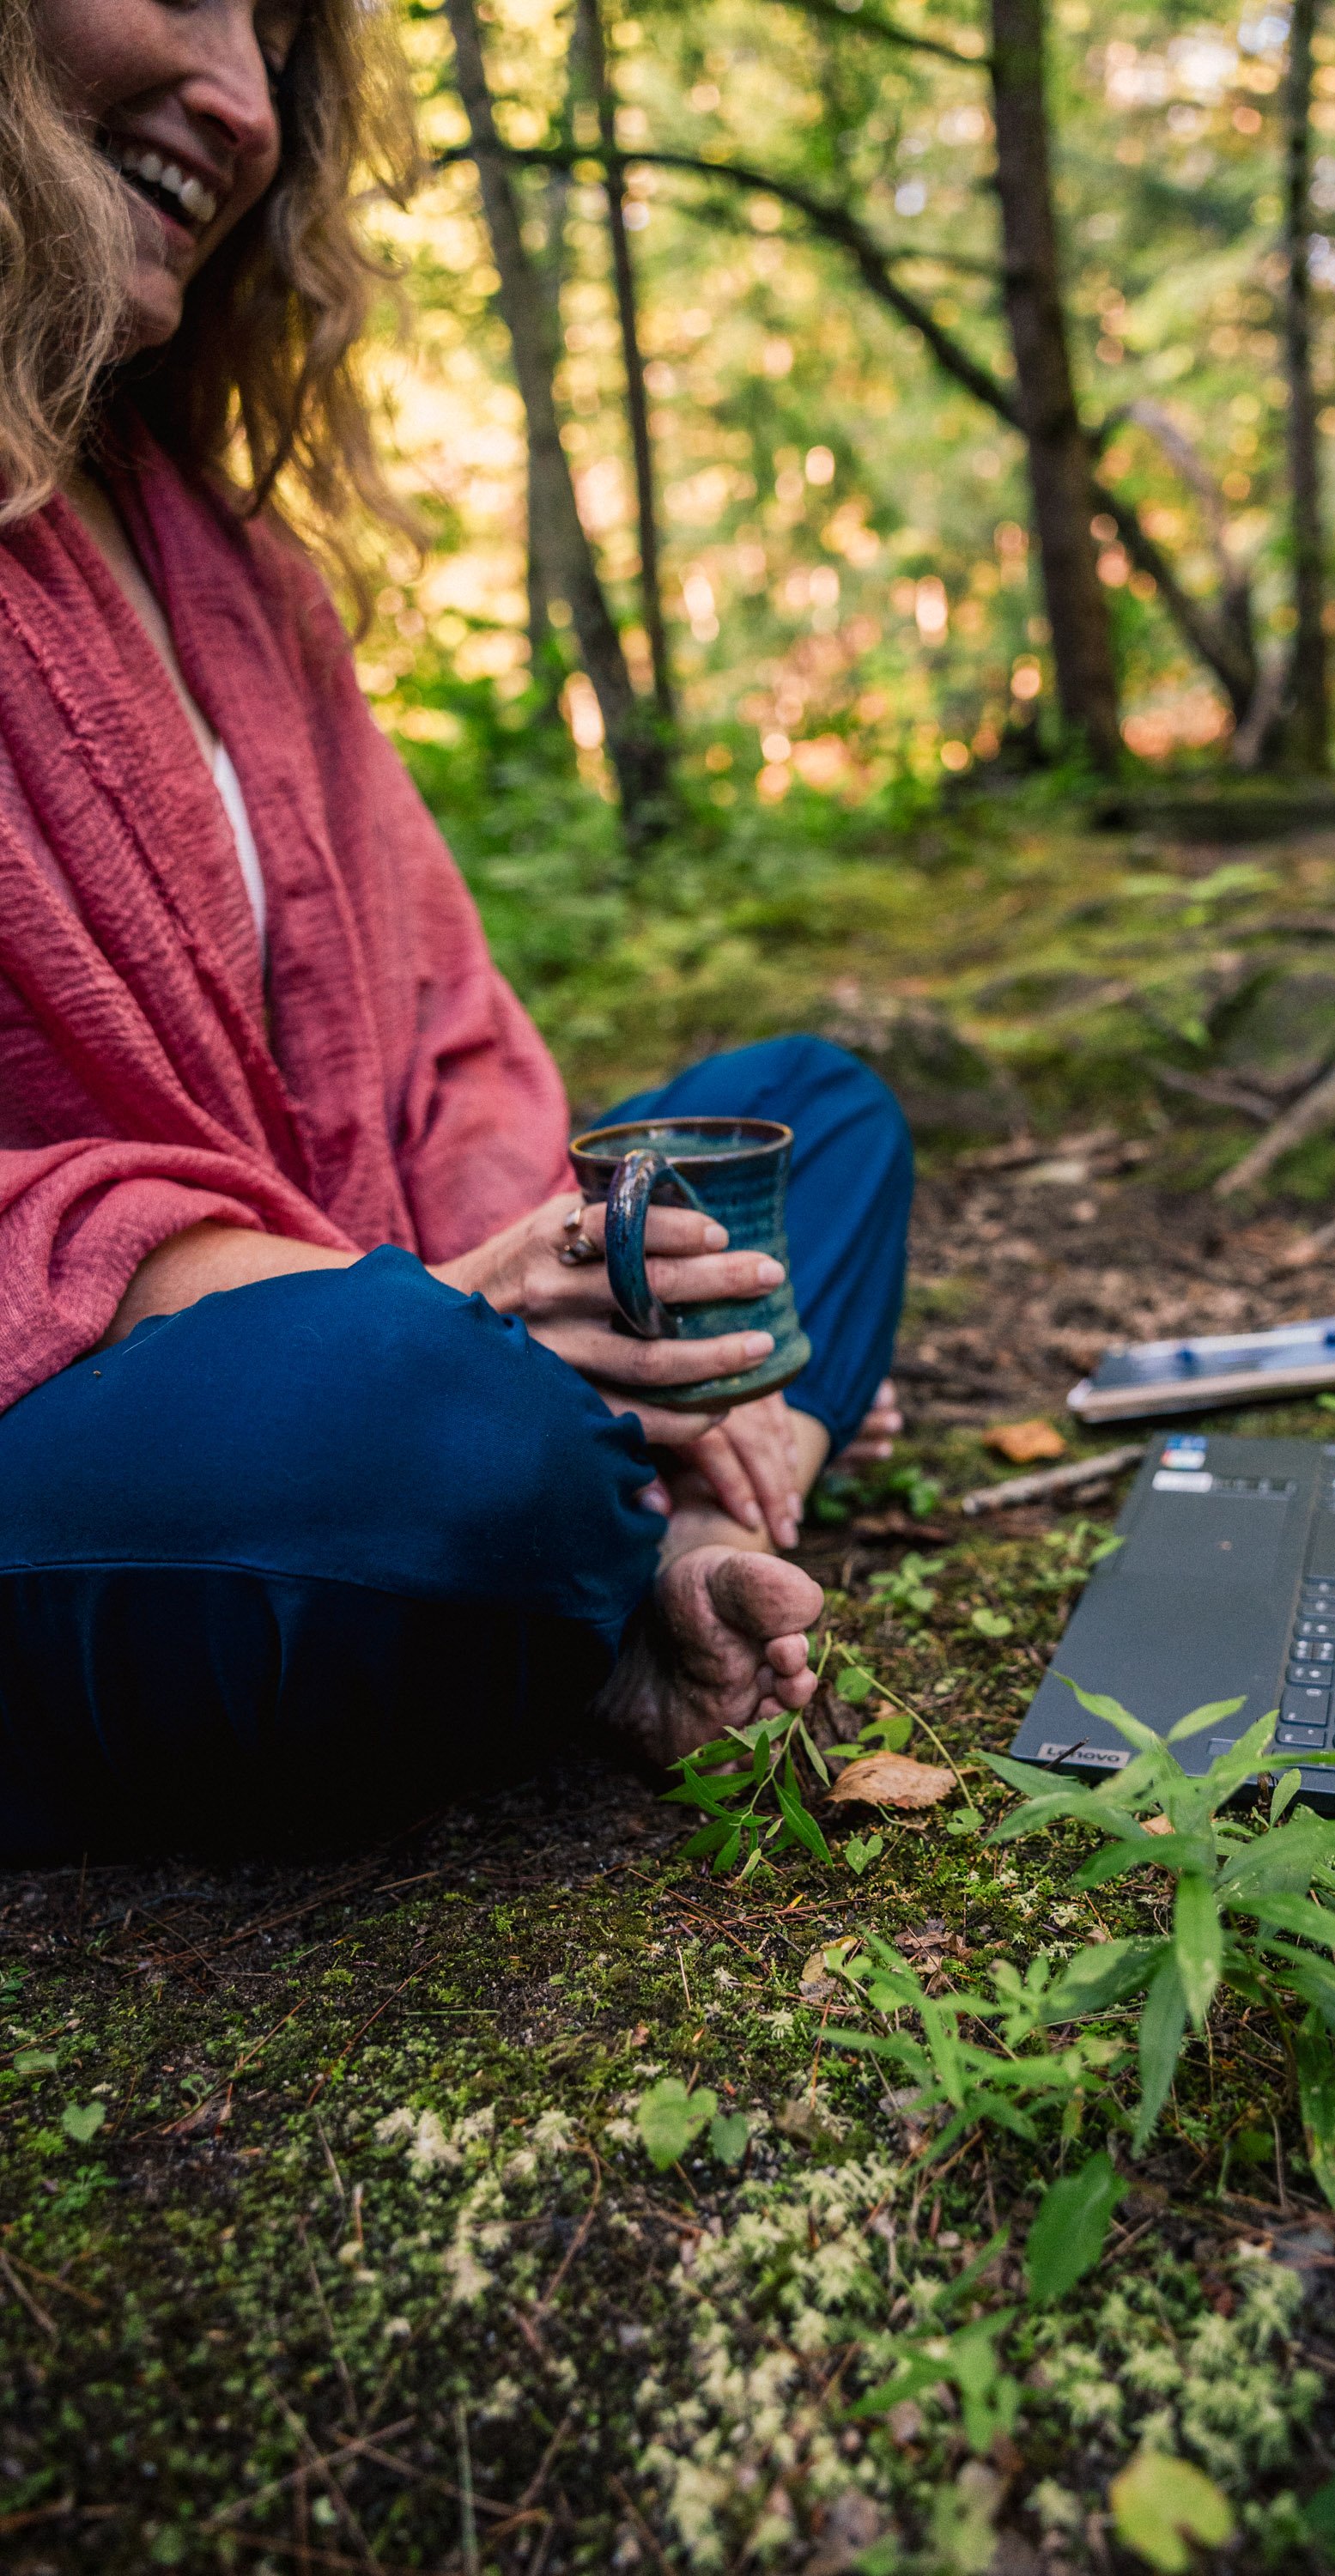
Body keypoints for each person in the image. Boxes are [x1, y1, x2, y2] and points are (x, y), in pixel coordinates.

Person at [0, 0, 912, 1862]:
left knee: (816, 1114)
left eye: (276, 30)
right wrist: (401, 1309)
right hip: (143, 1400)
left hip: (383, 1327)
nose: (246, 98)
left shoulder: (245, 575)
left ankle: (631, 1540)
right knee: (412, 1425)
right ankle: (600, 1510)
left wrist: (572, 1272)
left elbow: (452, 1041)